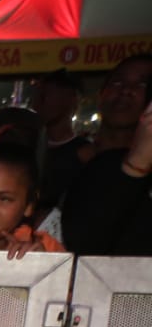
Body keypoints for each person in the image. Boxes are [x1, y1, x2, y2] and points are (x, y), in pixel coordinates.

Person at [61, 55, 152, 256]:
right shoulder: (64, 163)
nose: (126, 91)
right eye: (118, 82)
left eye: (142, 84)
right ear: (101, 94)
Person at [31, 69, 92, 212]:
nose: (40, 101)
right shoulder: (26, 146)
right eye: (39, 94)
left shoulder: (85, 154)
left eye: (48, 94)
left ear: (72, 100)